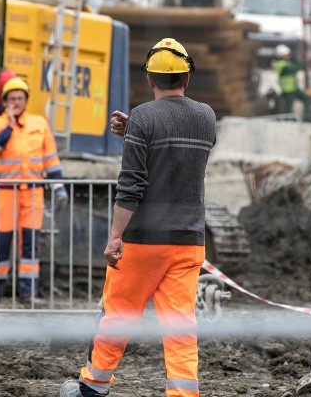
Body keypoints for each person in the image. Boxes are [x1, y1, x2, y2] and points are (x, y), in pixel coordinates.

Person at [60, 38, 216, 397]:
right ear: (187, 78)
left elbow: (131, 184)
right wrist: (136, 133)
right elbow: (178, 150)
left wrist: (115, 237)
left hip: (143, 243)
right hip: (188, 244)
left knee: (116, 318)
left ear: (150, 79)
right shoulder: (207, 118)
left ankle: (94, 387)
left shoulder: (144, 117)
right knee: (180, 328)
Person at [0, 76, 68, 298]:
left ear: (26, 100)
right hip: (5, 192)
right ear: (5, 101)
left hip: (33, 192)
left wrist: (58, 187)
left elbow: (50, 158)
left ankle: (28, 292)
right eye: (12, 98)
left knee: (30, 244)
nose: (16, 102)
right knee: (1, 242)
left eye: (20, 98)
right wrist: (9, 125)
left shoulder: (39, 124)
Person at [274, 44, 311, 122]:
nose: (289, 56)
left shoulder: (287, 63)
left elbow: (294, 65)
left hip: (294, 89)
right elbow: (294, 68)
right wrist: (302, 64)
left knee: (306, 99)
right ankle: (288, 122)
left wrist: (298, 62)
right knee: (288, 109)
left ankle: (307, 116)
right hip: (287, 91)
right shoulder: (281, 65)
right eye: (287, 55)